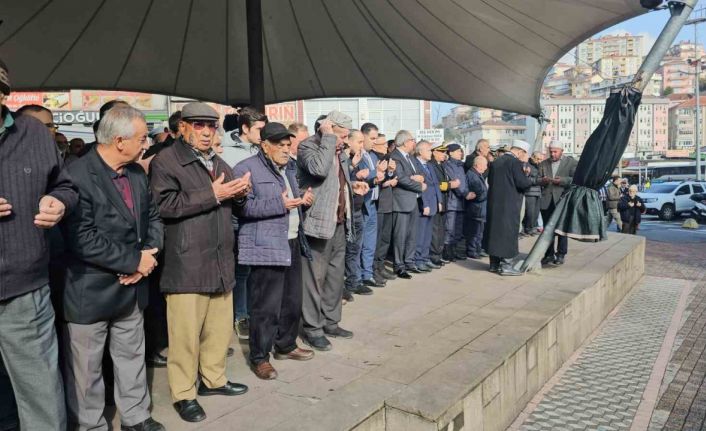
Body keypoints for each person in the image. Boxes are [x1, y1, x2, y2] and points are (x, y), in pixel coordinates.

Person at [60, 106, 165, 431]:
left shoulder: (135, 173)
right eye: (143, 138)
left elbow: (154, 219)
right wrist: (135, 261)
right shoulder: (76, 175)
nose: (146, 144)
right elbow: (82, 238)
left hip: (132, 288)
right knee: (86, 370)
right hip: (90, 291)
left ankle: (136, 417)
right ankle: (90, 425)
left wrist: (147, 256)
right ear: (120, 140)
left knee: (132, 358)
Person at [149, 102, 251, 423]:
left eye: (211, 126)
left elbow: (234, 206)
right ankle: (183, 393)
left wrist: (240, 194)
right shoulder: (167, 160)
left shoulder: (218, 161)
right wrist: (215, 194)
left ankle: (214, 379)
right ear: (183, 127)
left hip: (220, 260)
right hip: (186, 263)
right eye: (199, 125)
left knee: (218, 331)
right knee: (184, 336)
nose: (207, 132)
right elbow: (164, 205)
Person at [0, 58, 78, 431]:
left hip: (24, 290)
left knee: (41, 396)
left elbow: (64, 184)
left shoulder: (32, 132)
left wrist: (60, 201)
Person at [233, 122, 315, 380]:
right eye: (279, 144)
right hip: (265, 246)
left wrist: (303, 199)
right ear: (264, 145)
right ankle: (260, 357)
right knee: (265, 307)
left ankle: (286, 345)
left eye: (287, 144)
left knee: (292, 301)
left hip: (290, 240)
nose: (285, 148)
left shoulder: (289, 167)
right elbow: (243, 209)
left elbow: (288, 199)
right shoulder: (246, 169)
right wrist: (279, 204)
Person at [297, 111, 366, 351]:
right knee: (314, 279)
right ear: (328, 127)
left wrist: (352, 185)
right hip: (317, 224)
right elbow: (318, 170)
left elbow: (335, 180)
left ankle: (331, 321)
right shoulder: (309, 146)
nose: (345, 140)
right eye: (341, 134)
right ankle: (312, 328)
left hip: (339, 222)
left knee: (336, 278)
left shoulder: (339, 151)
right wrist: (327, 138)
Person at [220, 106, 268, 341]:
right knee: (240, 270)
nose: (263, 133)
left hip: (259, 216)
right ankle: (240, 315)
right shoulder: (223, 151)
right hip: (235, 218)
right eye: (259, 129)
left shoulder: (263, 148)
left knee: (254, 269)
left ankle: (252, 311)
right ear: (245, 128)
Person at [485, 140, 536, 276]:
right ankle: (507, 265)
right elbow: (522, 183)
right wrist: (527, 176)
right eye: (525, 154)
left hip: (494, 204)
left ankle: (494, 264)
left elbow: (490, 181)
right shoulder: (514, 163)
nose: (526, 158)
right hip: (509, 205)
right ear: (520, 151)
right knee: (508, 233)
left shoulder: (496, 162)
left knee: (494, 233)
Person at [344, 130, 376, 296]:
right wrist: (353, 172)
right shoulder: (344, 158)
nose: (362, 146)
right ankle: (350, 282)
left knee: (355, 248)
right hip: (346, 211)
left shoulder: (359, 158)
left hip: (358, 207)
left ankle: (354, 281)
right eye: (359, 142)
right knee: (349, 249)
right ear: (349, 141)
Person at [390, 130, 425, 278]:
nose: (414, 143)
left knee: (412, 235)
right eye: (412, 140)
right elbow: (401, 178)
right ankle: (399, 265)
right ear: (405, 142)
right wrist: (418, 185)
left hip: (413, 200)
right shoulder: (395, 156)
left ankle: (409, 262)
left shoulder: (410, 157)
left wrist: (418, 178)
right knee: (400, 236)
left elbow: (420, 173)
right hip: (401, 202)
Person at [538, 141, 577, 266]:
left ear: (562, 151)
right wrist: (542, 180)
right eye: (551, 151)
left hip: (561, 200)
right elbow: (537, 179)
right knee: (547, 229)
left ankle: (560, 254)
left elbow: (575, 179)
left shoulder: (571, 163)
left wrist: (562, 181)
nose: (553, 154)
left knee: (561, 228)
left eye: (555, 152)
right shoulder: (544, 163)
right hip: (546, 201)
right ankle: (548, 254)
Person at [359, 123, 387, 288]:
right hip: (363, 203)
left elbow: (375, 177)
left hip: (373, 202)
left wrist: (382, 174)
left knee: (370, 241)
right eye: (372, 138)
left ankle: (368, 274)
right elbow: (359, 176)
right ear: (363, 136)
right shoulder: (359, 155)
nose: (375, 142)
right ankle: (359, 275)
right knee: (361, 242)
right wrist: (375, 173)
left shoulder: (373, 156)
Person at [371, 135, 398, 283]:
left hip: (388, 203)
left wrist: (390, 173)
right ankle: (374, 268)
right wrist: (386, 178)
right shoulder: (374, 158)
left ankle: (381, 266)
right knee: (378, 239)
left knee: (385, 239)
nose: (385, 147)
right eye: (381, 144)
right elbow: (376, 181)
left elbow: (387, 178)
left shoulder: (386, 158)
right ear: (375, 145)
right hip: (379, 204)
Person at [413, 140, 443, 271]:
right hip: (424, 205)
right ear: (420, 151)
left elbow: (436, 184)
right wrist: (425, 204)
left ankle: (425, 258)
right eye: (428, 150)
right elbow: (420, 187)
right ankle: (418, 260)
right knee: (421, 234)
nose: (431, 153)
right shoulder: (416, 165)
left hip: (433, 203)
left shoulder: (429, 165)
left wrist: (439, 201)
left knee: (428, 234)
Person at [443, 143, 467, 262]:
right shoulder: (448, 165)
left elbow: (464, 182)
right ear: (450, 153)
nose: (460, 153)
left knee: (458, 228)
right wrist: (464, 193)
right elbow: (454, 183)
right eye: (458, 151)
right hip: (452, 202)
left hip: (461, 202)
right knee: (449, 228)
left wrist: (466, 192)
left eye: (460, 151)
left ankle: (455, 250)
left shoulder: (460, 166)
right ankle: (447, 251)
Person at [429, 143, 450, 266]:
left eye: (445, 152)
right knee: (436, 230)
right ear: (434, 152)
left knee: (441, 230)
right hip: (437, 200)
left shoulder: (441, 165)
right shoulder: (432, 165)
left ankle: (438, 254)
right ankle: (434, 255)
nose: (444, 154)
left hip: (443, 200)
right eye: (442, 152)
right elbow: (437, 184)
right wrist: (449, 185)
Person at [465, 156, 489, 259]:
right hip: (476, 209)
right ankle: (472, 251)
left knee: (479, 232)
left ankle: (477, 250)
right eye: (485, 165)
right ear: (478, 165)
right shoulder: (472, 175)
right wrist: (486, 194)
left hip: (479, 209)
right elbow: (479, 193)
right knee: (474, 232)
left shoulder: (477, 175)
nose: (486, 167)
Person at [522, 151, 542, 236]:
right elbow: (525, 178)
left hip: (538, 191)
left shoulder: (539, 166)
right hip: (529, 192)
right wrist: (537, 181)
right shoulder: (526, 164)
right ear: (533, 157)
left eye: (541, 159)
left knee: (536, 212)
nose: (539, 161)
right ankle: (528, 228)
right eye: (538, 159)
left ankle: (533, 227)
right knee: (530, 212)